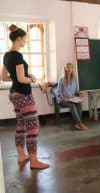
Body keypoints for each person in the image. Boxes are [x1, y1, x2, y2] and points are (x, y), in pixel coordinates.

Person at [1, 24, 49, 170]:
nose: (25, 42)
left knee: (21, 125)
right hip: (23, 94)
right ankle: (34, 161)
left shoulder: (7, 55)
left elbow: (4, 77)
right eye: (24, 40)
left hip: (14, 94)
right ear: (19, 38)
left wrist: (21, 77)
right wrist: (32, 79)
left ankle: (22, 155)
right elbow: (22, 79)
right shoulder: (18, 55)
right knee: (33, 126)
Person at [56, 62, 88, 130]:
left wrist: (80, 94)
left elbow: (76, 90)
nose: (69, 69)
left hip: (72, 98)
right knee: (72, 105)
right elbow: (59, 92)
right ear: (65, 69)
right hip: (62, 100)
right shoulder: (61, 79)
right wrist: (64, 98)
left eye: (71, 67)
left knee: (79, 104)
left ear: (72, 69)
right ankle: (80, 123)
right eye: (68, 67)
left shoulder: (74, 78)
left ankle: (77, 124)